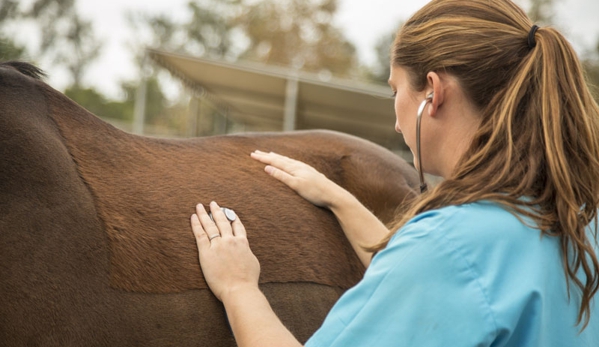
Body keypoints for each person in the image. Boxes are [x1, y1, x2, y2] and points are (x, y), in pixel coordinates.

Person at [189, 0, 599, 345]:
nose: (397, 122)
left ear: (432, 93)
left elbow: (437, 267)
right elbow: (437, 283)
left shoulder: (447, 248)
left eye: (395, 90)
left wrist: (238, 287)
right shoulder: (579, 215)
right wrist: (337, 197)